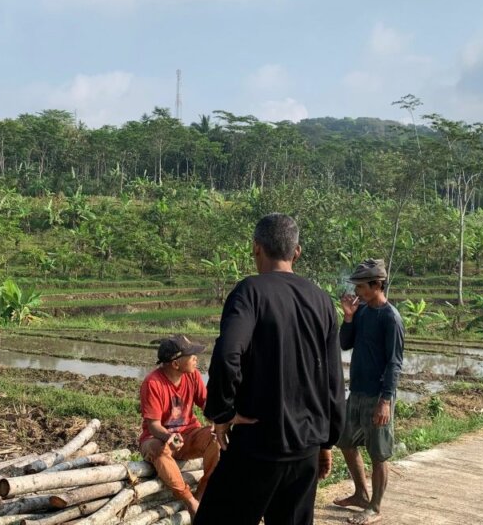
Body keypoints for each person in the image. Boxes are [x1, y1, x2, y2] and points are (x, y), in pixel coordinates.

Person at [194, 213, 345, 525]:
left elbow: (227, 354)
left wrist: (221, 413)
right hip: (305, 450)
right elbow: (333, 379)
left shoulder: (250, 292)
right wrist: (327, 441)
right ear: (296, 252)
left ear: (256, 248)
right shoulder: (321, 300)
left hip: (258, 445)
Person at [333, 258, 405, 525]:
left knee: (378, 452)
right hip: (359, 391)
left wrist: (386, 401)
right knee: (346, 442)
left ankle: (375, 507)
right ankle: (361, 494)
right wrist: (348, 317)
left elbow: (394, 363)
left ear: (377, 285)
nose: (358, 292)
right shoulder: (361, 311)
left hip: (378, 395)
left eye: (362, 287)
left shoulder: (391, 318)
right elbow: (344, 343)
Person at [138, 334, 220, 517]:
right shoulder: (152, 383)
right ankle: (189, 501)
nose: (195, 359)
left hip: (189, 435)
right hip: (158, 439)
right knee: (158, 448)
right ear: (175, 364)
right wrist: (168, 437)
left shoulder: (193, 376)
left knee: (216, 439)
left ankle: (201, 494)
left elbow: (206, 405)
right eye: (191, 356)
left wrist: (216, 422)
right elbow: (153, 426)